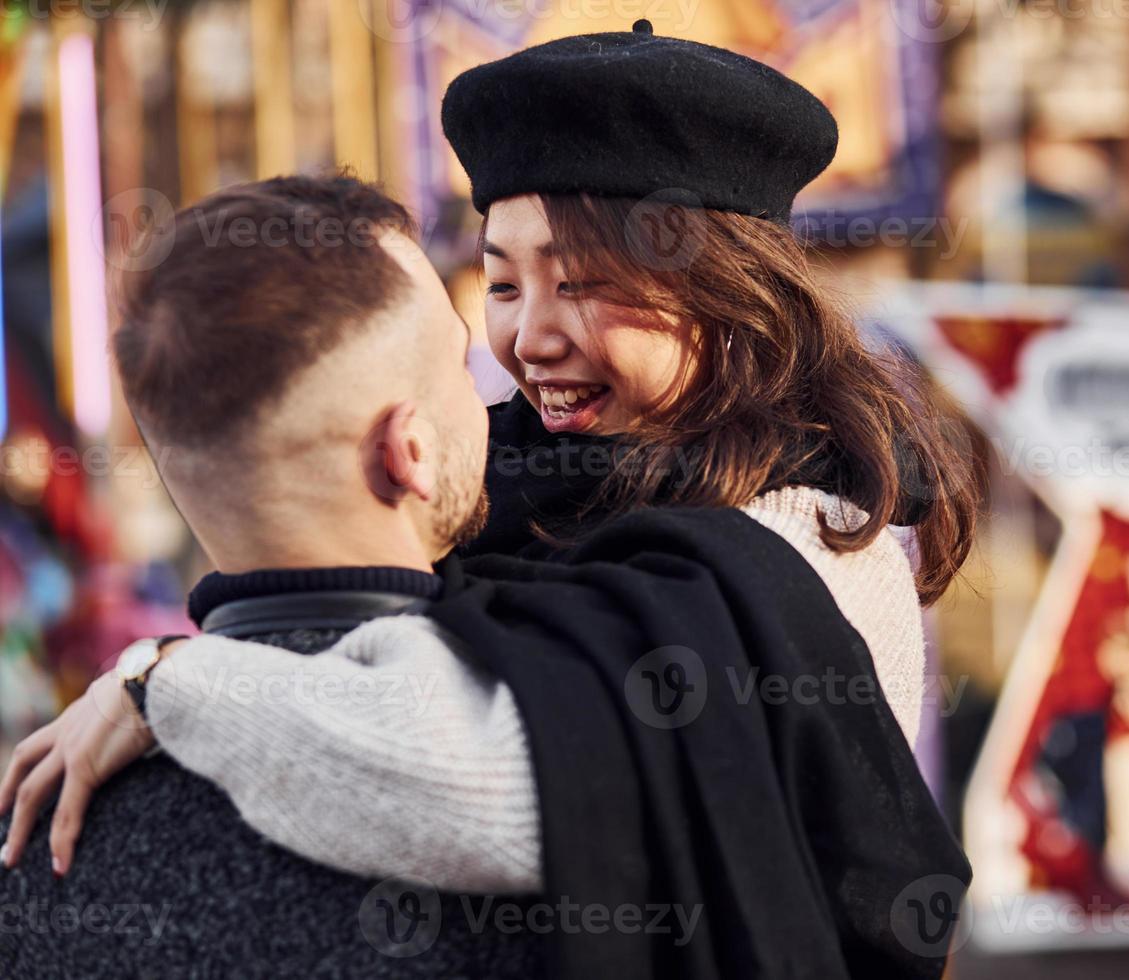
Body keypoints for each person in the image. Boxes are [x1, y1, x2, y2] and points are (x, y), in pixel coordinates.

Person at [3, 22, 980, 979]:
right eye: (504, 284)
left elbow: (499, 781)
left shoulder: (807, 543)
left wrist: (166, 683)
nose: (530, 339)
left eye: (585, 283)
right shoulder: (510, 482)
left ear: (731, 298)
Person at [0, 177, 546, 977]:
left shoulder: (46, 834)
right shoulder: (557, 740)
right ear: (412, 451)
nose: (493, 388)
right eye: (460, 369)